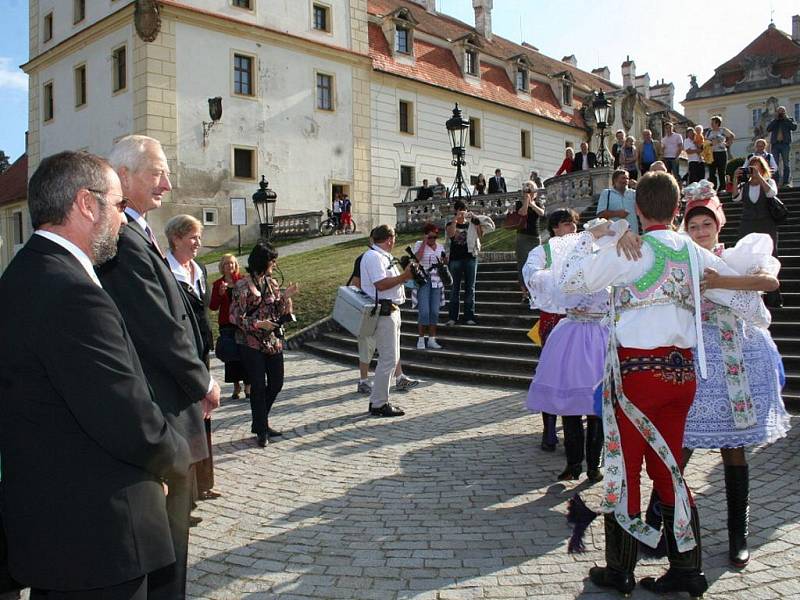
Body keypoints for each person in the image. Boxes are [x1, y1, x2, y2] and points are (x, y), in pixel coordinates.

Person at [559, 172, 769, 598]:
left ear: (638, 208)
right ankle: (687, 570)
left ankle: (620, 569)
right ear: (678, 210)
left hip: (638, 376)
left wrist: (597, 233)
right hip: (682, 375)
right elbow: (747, 299)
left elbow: (568, 281)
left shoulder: (628, 250)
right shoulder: (694, 250)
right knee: (670, 469)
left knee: (625, 469)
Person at [0, 150, 190, 598]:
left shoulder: (20, 277)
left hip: (50, 532)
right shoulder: (73, 293)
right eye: (119, 205)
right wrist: (175, 457)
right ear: (87, 204)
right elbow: (125, 413)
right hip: (99, 538)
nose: (123, 221)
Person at [98, 134, 221, 600]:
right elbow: (157, 326)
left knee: (175, 542)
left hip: (171, 402)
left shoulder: (137, 232)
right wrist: (201, 381)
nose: (167, 183)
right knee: (167, 544)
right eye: (157, 172)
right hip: (163, 405)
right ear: (124, 177)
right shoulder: (122, 240)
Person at [679, 183, 790, 569]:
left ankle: (737, 535)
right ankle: (662, 522)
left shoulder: (738, 254)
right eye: (693, 225)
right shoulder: (681, 260)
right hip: (696, 354)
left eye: (706, 223)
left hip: (738, 354)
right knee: (682, 441)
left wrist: (720, 282)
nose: (700, 231)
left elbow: (769, 282)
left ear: (718, 225)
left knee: (734, 444)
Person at [524, 215, 609, 482]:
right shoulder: (564, 268)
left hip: (599, 336)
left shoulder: (609, 264)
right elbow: (552, 286)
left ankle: (594, 464)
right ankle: (573, 463)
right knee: (571, 406)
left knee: (598, 408)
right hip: (573, 335)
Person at [165, 215, 220, 503]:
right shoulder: (166, 271)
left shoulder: (200, 270)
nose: (198, 242)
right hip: (181, 353)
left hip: (201, 351)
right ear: (176, 238)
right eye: (192, 237)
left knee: (205, 415)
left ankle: (204, 483)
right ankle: (184, 495)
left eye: (199, 237)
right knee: (187, 419)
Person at [521, 208, 579, 453]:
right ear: (555, 227)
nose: (573, 228)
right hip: (554, 318)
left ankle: (575, 428)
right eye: (567, 224)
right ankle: (549, 428)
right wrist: (561, 279)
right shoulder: (542, 251)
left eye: (575, 223)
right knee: (551, 372)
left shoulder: (583, 249)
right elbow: (531, 274)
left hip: (579, 320)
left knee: (577, 373)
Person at [230, 242, 298, 447]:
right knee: (258, 386)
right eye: (272, 259)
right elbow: (235, 316)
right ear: (262, 261)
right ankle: (261, 429)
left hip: (272, 340)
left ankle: (259, 421)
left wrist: (286, 299)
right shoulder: (242, 285)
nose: (275, 263)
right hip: (250, 342)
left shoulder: (272, 283)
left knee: (277, 382)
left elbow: (276, 309)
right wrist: (258, 324)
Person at [348, 239, 420, 394]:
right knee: (368, 347)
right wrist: (365, 303)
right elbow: (356, 283)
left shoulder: (385, 258)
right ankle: (364, 380)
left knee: (391, 349)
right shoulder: (367, 258)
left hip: (386, 309)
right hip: (370, 310)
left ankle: (399, 377)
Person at [360, 225, 413, 417]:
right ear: (389, 238)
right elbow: (380, 284)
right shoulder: (374, 256)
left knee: (391, 357)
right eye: (394, 238)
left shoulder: (382, 255)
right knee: (388, 359)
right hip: (384, 310)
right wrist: (404, 276)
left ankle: (378, 400)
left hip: (391, 309)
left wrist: (404, 278)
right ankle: (379, 403)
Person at [732, 155, 783, 308]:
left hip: (766, 224)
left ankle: (773, 297)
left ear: (762, 168)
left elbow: (771, 193)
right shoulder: (744, 186)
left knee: (770, 256)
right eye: (751, 167)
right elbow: (735, 197)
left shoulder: (769, 182)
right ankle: (749, 297)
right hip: (748, 223)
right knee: (744, 256)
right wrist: (735, 179)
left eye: (757, 167)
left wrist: (760, 178)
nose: (754, 170)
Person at [445, 200, 495, 325]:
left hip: (470, 257)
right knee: (454, 288)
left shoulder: (472, 223)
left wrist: (476, 221)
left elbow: (482, 234)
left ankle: (469, 316)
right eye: (459, 210)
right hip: (455, 259)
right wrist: (456, 219)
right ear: (455, 211)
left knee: (470, 289)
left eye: (464, 210)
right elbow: (451, 234)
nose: (462, 212)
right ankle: (452, 317)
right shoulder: (451, 223)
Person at [210, 254, 250, 399]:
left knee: (245, 354)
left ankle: (248, 385)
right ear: (222, 266)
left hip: (242, 322)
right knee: (231, 355)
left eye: (232, 263)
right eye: (227, 264)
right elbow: (213, 306)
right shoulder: (217, 284)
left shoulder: (243, 280)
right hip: (227, 323)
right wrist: (220, 293)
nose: (230, 266)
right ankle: (236, 385)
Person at [510, 180, 546, 303]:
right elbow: (522, 213)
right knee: (522, 264)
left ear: (535, 192)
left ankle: (534, 292)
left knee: (536, 264)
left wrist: (532, 204)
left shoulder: (539, 203)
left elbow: (542, 213)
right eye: (527, 190)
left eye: (531, 190)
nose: (529, 192)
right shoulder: (519, 203)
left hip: (535, 237)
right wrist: (526, 202)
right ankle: (524, 293)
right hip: (523, 237)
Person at [413, 223, 447, 349]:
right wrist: (424, 242)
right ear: (426, 235)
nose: (433, 240)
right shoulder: (419, 244)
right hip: (424, 279)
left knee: (434, 311)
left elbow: (444, 263)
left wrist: (444, 261)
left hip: (437, 280)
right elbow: (417, 258)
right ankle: (421, 339)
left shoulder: (440, 246)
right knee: (424, 311)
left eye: (435, 237)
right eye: (430, 237)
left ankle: (432, 339)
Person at [596, 169, 639, 234]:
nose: (626, 180)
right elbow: (600, 214)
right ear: (615, 180)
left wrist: (637, 186)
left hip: (633, 234)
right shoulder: (607, 193)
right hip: (614, 236)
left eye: (627, 178)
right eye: (623, 178)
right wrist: (617, 213)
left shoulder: (634, 193)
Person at [766, 105, 797, 187]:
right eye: (779, 111)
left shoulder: (789, 120)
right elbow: (768, 129)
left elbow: (794, 127)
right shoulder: (775, 121)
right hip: (775, 144)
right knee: (774, 164)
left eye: (782, 111)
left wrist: (786, 118)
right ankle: (775, 181)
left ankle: (786, 182)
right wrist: (776, 119)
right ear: (777, 112)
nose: (780, 113)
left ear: (785, 112)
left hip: (785, 144)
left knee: (786, 163)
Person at [706, 115, 735, 192]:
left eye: (713, 122)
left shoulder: (723, 130)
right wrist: (710, 143)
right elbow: (705, 141)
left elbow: (732, 136)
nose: (711, 124)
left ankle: (722, 187)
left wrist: (728, 143)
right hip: (712, 153)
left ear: (717, 123)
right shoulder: (709, 131)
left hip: (721, 153)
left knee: (721, 171)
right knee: (712, 172)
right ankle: (713, 187)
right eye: (711, 122)